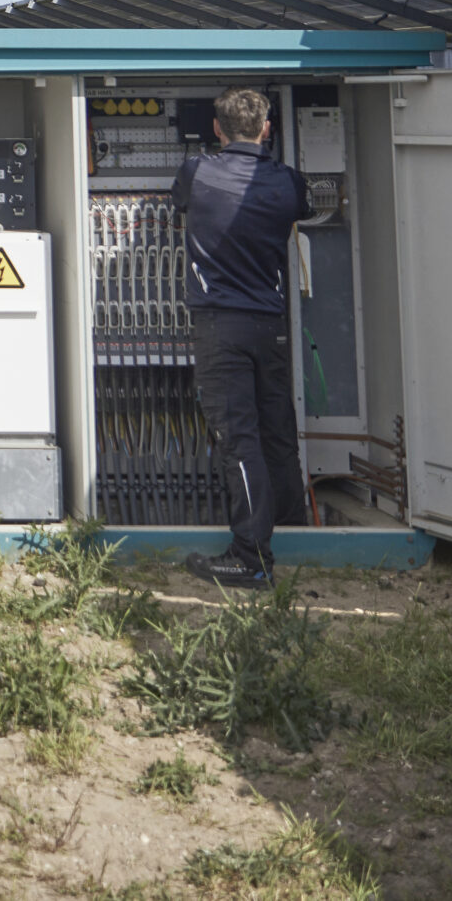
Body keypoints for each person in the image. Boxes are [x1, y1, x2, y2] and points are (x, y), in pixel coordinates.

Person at [173, 87, 309, 590]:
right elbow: (307, 207)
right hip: (269, 326)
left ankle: (251, 557)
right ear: (267, 129)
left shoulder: (196, 171)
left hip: (219, 326)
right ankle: (299, 537)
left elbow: (179, 202)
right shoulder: (288, 182)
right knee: (277, 432)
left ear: (217, 128)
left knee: (239, 438)